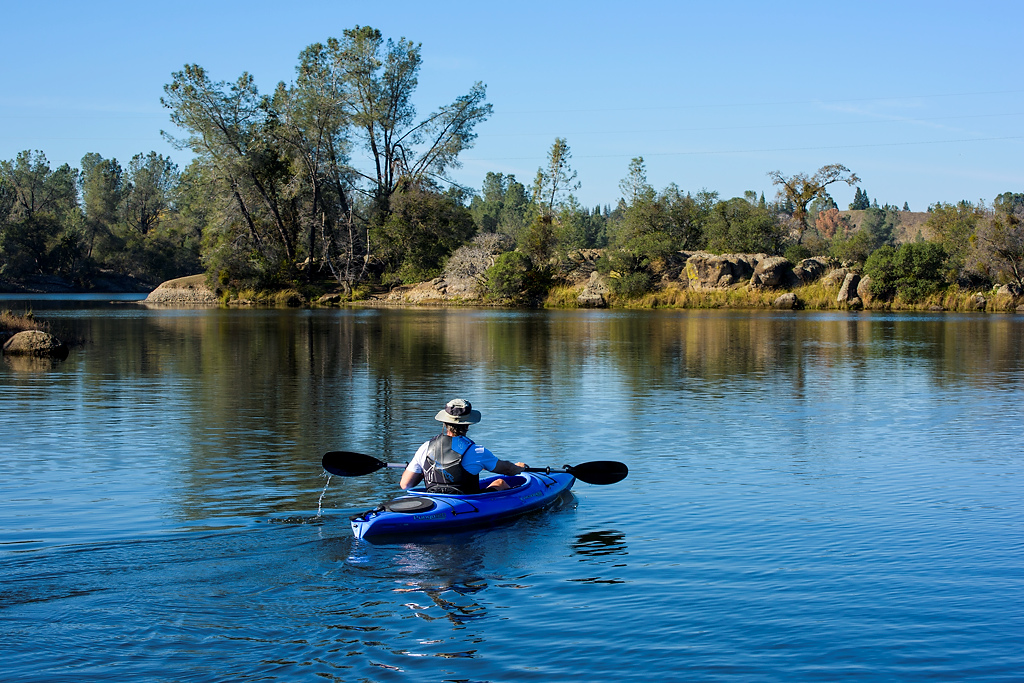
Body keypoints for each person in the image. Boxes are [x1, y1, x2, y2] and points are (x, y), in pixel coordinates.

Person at [400, 398, 527, 494]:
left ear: (445, 422)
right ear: (468, 425)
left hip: (436, 499)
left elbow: (405, 484)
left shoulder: (425, 447)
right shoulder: (477, 452)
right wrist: (519, 467)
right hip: (466, 504)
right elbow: (508, 470)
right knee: (500, 483)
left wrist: (424, 470)